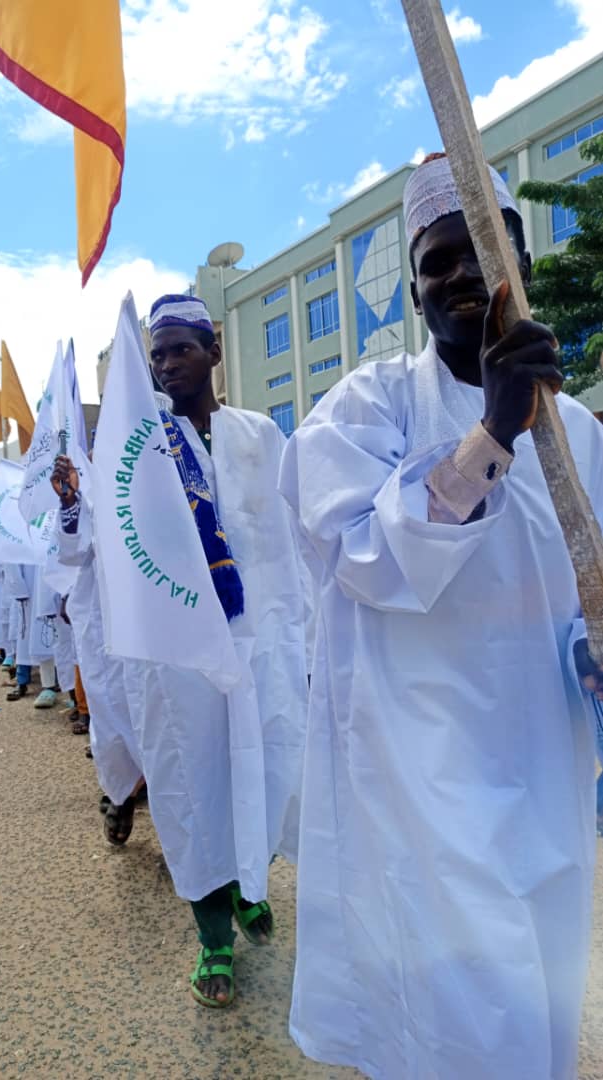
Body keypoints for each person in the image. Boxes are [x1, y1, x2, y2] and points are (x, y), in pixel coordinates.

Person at [279, 153, 603, 1080]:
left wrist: (592, 650)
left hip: (542, 765)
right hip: (420, 774)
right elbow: (366, 559)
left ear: (523, 268)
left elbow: (583, 595)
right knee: (468, 1021)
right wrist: (492, 432)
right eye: (436, 260)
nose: (461, 274)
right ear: (416, 292)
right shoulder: (362, 410)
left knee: (538, 992)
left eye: (481, 252)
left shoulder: (578, 435)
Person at [56, 294, 309, 1008]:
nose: (168, 364)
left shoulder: (259, 436)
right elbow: (86, 552)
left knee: (266, 768)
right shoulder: (136, 450)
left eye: (180, 348)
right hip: (180, 659)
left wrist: (304, 637)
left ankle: (249, 886)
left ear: (213, 351)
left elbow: (294, 540)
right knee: (193, 786)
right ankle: (212, 941)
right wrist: (75, 502)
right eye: (157, 353)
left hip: (262, 641)